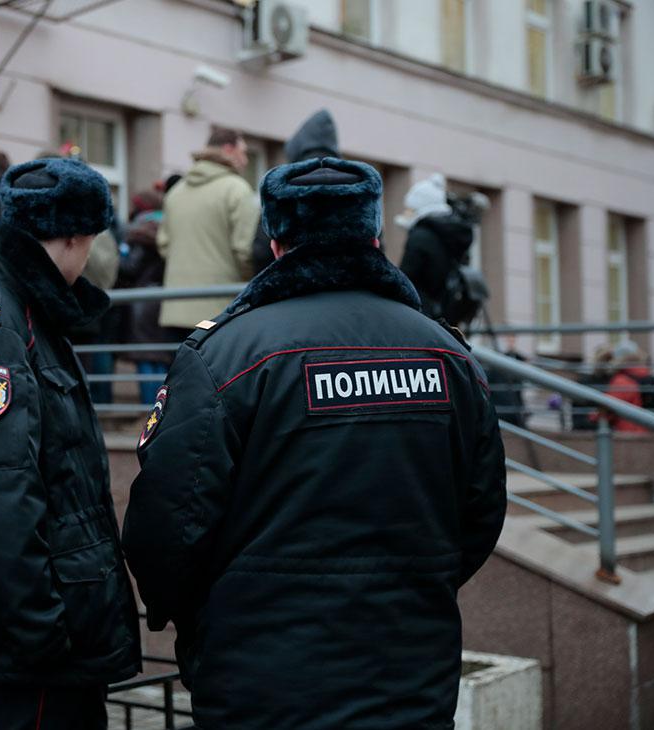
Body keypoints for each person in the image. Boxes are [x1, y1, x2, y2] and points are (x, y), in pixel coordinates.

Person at [123, 157, 507, 730]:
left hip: (258, 681)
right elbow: (481, 510)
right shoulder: (446, 355)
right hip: (409, 676)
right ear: (374, 237)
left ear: (277, 244)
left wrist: (198, 615)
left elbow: (166, 525)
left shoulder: (226, 355)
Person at [0, 157, 142, 730]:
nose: (91, 257)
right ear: (71, 237)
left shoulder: (29, 313)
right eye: (92, 242)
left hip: (61, 632)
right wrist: (41, 631)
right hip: (46, 647)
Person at [157, 127, 259, 334]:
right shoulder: (236, 189)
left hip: (175, 309)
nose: (246, 160)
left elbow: (164, 246)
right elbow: (245, 251)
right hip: (218, 312)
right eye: (243, 152)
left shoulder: (176, 192)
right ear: (229, 149)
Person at [251, 108, 339, 271]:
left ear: (298, 147)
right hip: (347, 283)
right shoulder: (357, 183)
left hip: (292, 281)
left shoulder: (282, 185)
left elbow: (261, 251)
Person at [398, 173, 478, 321]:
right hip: (445, 311)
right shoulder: (450, 234)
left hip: (421, 312)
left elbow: (406, 278)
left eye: (410, 208)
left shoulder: (420, 236)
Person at [116, 191, 169, 403]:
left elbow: (130, 268)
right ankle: (162, 408)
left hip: (143, 299)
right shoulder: (167, 228)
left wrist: (120, 256)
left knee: (144, 355)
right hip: (165, 298)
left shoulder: (139, 233)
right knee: (161, 356)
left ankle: (149, 408)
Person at [597, 340, 654, 433]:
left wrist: (592, 416)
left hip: (627, 431)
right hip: (646, 429)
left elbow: (608, 407)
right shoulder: (646, 375)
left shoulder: (622, 381)